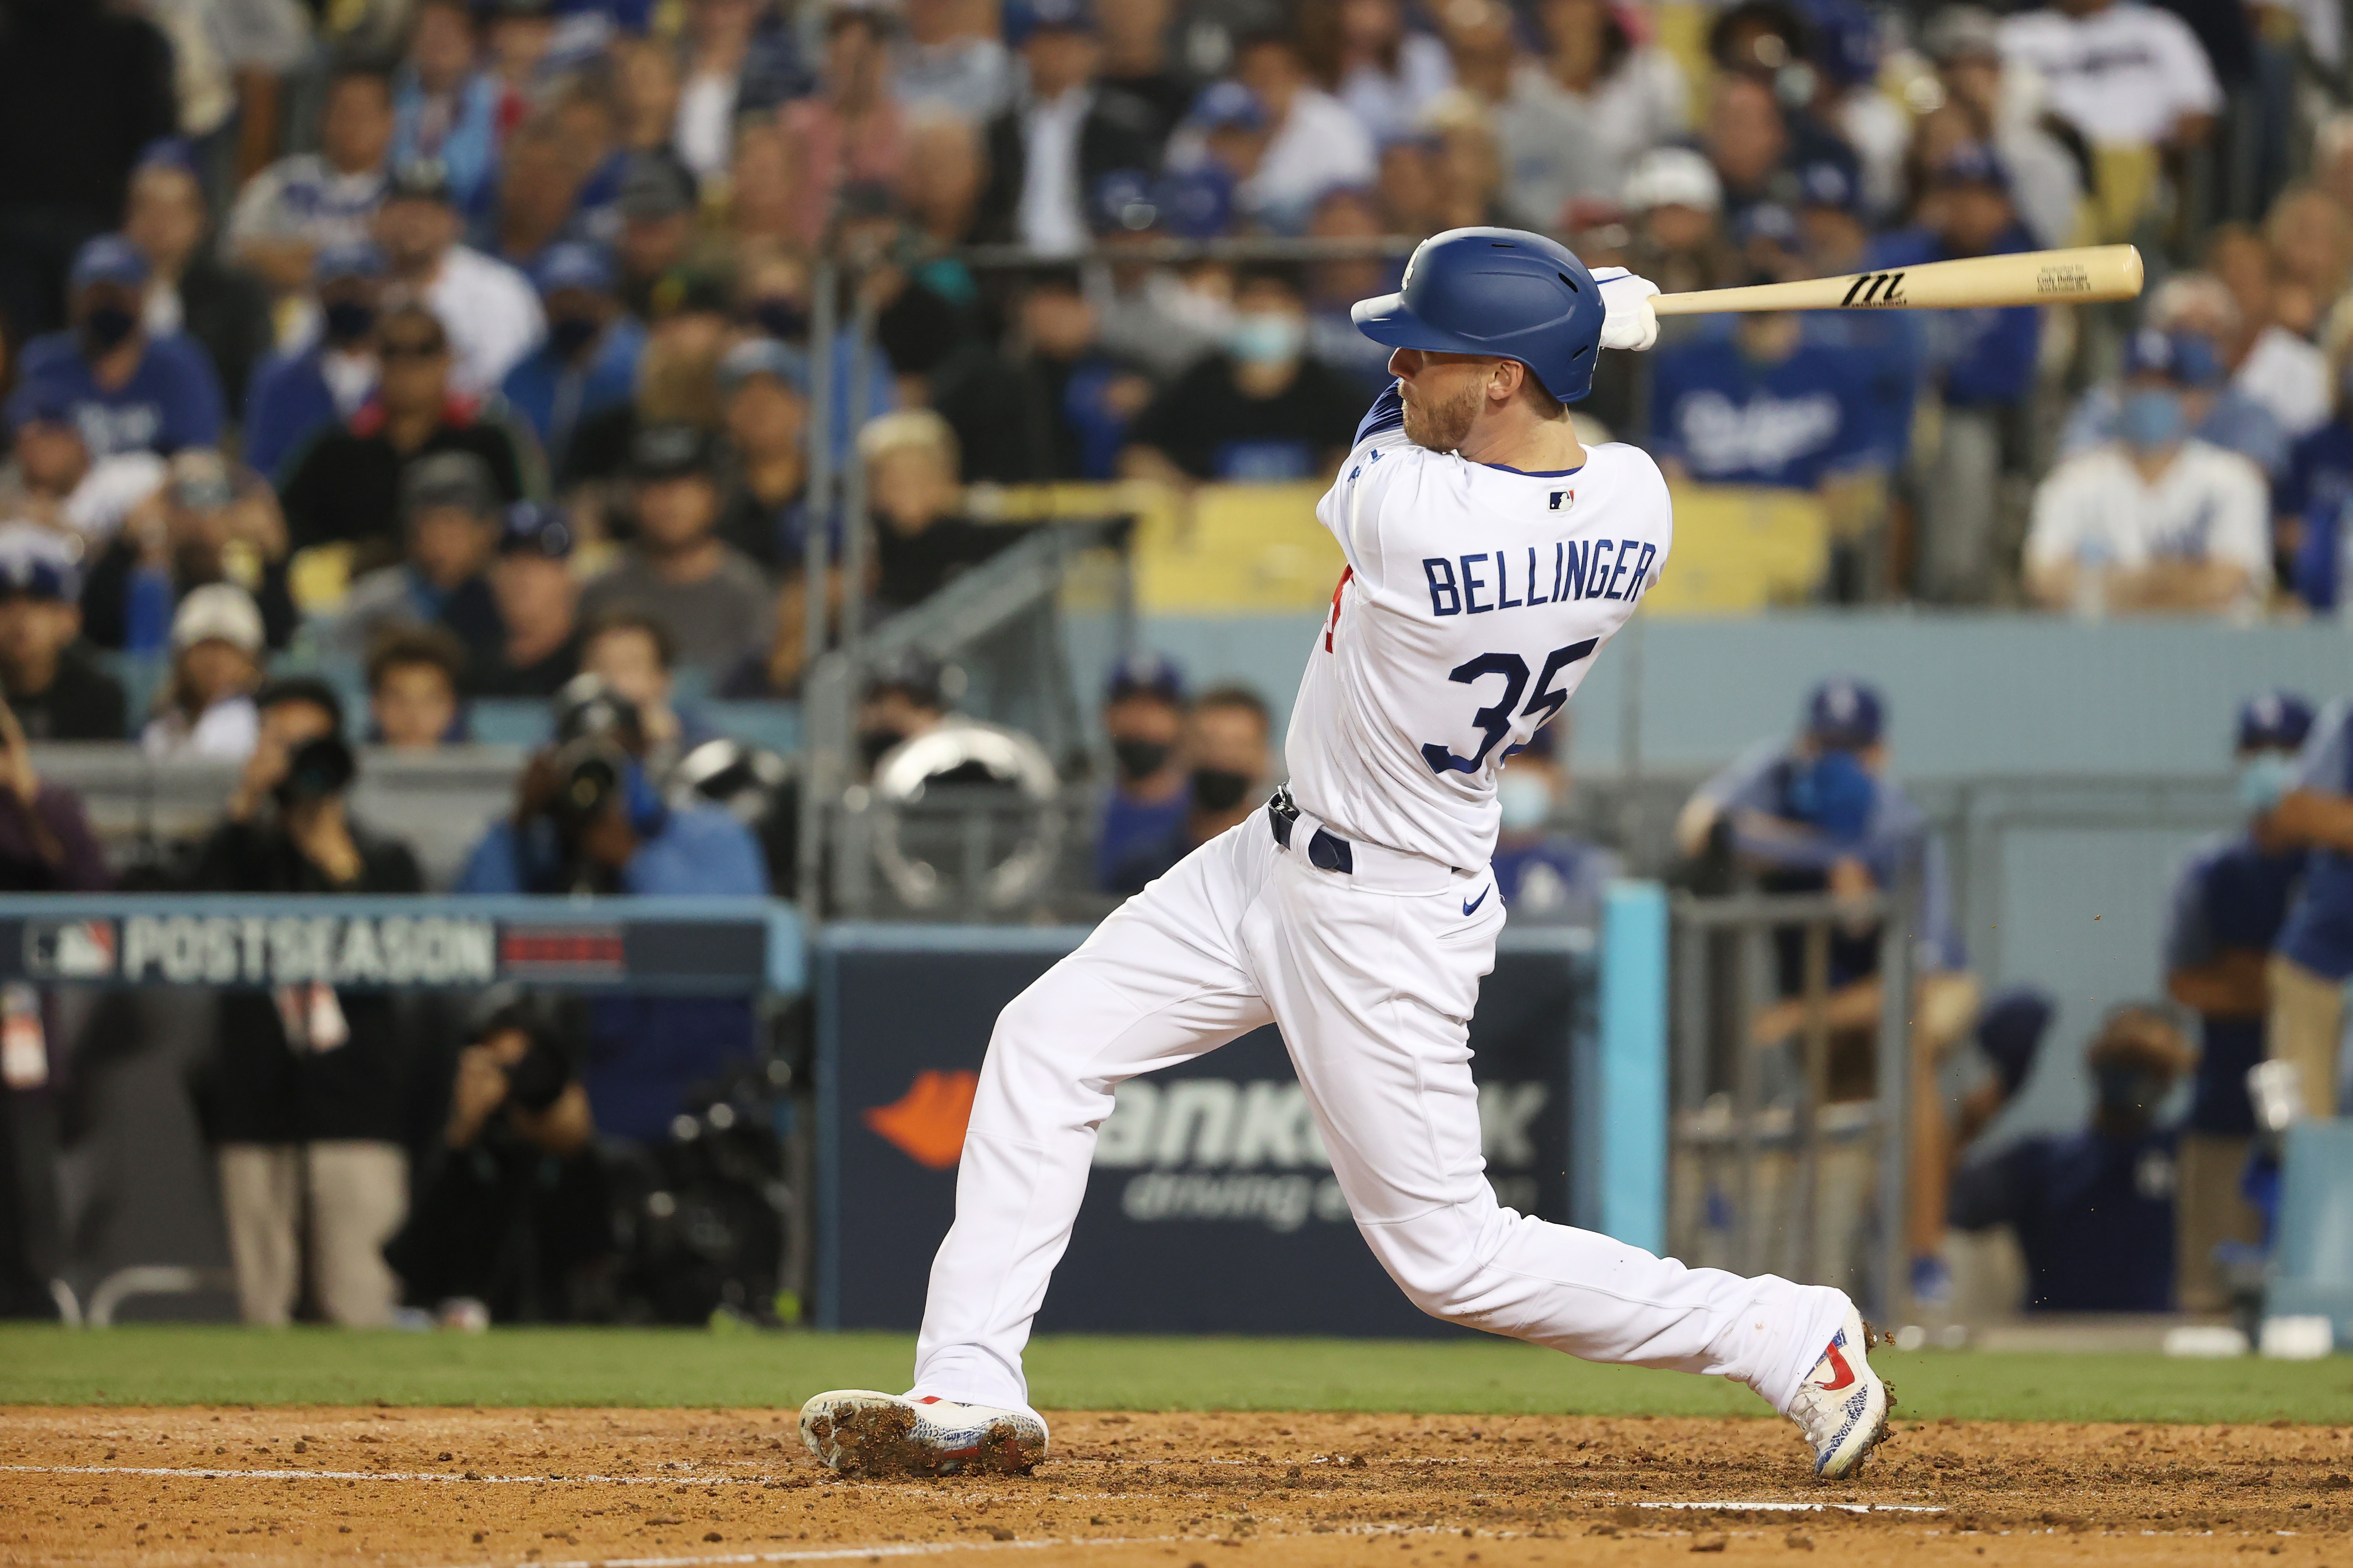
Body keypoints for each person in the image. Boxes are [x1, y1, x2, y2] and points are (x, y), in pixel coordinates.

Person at [797, 228, 1895, 1484]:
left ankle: (1780, 1330)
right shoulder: (1637, 500)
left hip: (1382, 911)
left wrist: (1573, 319)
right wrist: (1570, 336)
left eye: (1434, 348)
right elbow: (1523, 429)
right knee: (1044, 1044)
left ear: (1498, 378)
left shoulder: (1407, 514)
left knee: (1452, 1260)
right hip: (1269, 861)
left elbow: (1394, 422)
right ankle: (971, 1385)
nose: (1403, 360)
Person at [193, 677, 425, 1328]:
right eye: (281, 743)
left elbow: (409, 954)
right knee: (262, 1306)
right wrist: (244, 802)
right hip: (255, 1096)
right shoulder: (245, 853)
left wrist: (339, 863)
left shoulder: (383, 857)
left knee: (361, 1299)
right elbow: (182, 916)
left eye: (309, 745)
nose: (297, 761)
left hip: (356, 1103)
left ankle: (374, 1436)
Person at [454, 678, 766, 1141]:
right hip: (557, 1093)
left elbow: (734, 942)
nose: (596, 775)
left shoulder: (707, 833)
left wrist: (634, 858)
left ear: (645, 755)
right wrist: (519, 825)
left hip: (687, 1086)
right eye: (579, 754)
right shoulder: (533, 845)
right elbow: (463, 945)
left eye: (615, 753)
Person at [2164, 692, 2312, 1313]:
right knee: (2209, 1301)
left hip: (2322, 1121)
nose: (2269, 764)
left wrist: (2258, 975)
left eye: (2285, 751)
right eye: (2256, 750)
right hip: (2225, 1103)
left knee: (2313, 1304)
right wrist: (2278, 985)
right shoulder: (2213, 869)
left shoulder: (2329, 866)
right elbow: (2185, 983)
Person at [1866, 145, 2040, 605]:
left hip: (1968, 413)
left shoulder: (2020, 267)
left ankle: (1947, 600)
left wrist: (1935, 375)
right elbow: (1860, 340)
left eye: (1981, 196)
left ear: (2004, 206)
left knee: (1963, 452)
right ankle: (1874, 602)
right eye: (1957, 194)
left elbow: (2008, 373)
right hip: (1892, 406)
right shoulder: (1901, 255)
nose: (1968, 207)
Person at [1947, 1006, 2196, 1312]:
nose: (2134, 1077)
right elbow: (1947, 1202)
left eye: (2151, 1067)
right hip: (2057, 1337)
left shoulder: (2186, 1158)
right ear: (2094, 1058)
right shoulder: (2043, 1162)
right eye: (2123, 1060)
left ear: (2171, 1077)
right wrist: (1976, 1117)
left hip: (2152, 1337)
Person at [382, 998, 608, 1324]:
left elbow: (593, 1248)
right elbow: (413, 1257)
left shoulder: (564, 1156)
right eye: (497, 1066)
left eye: (525, 1066)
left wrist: (566, 1139)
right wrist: (461, 1135)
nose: (513, 1082)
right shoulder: (475, 1153)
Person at [2024, 329, 2271, 617]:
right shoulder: (2074, 481)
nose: (2151, 397)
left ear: (2192, 400)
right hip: (2101, 653)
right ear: (2117, 396)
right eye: (2140, 387)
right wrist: (2181, 579)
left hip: (2211, 652)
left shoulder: (2232, 479)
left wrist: (2110, 584)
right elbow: (2043, 580)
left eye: (2165, 388)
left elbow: (2229, 582)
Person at [275, 303, 539, 568]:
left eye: (423, 350)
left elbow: (524, 524)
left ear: (447, 359)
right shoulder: (337, 449)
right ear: (376, 359)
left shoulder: (487, 440)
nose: (405, 364)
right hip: (356, 599)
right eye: (392, 351)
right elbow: (287, 528)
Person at [1119, 264, 1367, 483]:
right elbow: (1137, 457)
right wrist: (1189, 495)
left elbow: (1365, 457)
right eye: (1254, 308)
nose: (1263, 318)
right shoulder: (1199, 384)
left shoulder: (1328, 389)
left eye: (1274, 308)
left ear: (1300, 313)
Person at [973, 0, 1166, 254]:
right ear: (1024, 51)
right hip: (1016, 260)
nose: (1057, 53)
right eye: (1046, 41)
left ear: (1092, 51)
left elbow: (1146, 201)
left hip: (1099, 257)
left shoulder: (1125, 124)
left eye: (1068, 42)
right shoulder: (998, 129)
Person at [578, 424, 773, 675]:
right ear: (632, 498)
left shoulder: (748, 593)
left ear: (714, 496)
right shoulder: (602, 591)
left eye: (685, 486)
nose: (670, 501)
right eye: (655, 487)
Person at [14, 236, 226, 460]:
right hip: (67, 491)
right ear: (74, 297)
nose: (106, 303)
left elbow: (197, 454)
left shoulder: (180, 363)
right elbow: (31, 450)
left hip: (157, 488)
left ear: (143, 296)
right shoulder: (45, 362)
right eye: (96, 294)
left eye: (116, 295)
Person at [80, 448, 300, 656]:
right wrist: (127, 543)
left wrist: (273, 562)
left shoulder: (245, 578)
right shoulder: (150, 574)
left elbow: (279, 640)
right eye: (188, 503)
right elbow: (98, 629)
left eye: (213, 504)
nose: (201, 520)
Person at [372, 159, 545, 399]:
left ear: (455, 222)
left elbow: (507, 383)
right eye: (403, 208)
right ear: (379, 221)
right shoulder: (358, 287)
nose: (414, 221)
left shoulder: (498, 289)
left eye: (427, 211)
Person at [121, 149, 274, 418]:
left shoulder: (237, 293)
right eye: (148, 209)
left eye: (173, 212)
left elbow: (253, 384)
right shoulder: (105, 290)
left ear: (201, 219)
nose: (160, 225)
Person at [223, 63, 397, 297]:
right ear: (323, 118)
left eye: (365, 113)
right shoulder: (282, 179)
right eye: (344, 111)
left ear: (390, 122)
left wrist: (307, 256)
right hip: (290, 312)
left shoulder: (403, 190)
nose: (354, 124)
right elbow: (236, 249)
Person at [325, 451, 508, 667]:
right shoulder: (372, 604)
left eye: (451, 524)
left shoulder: (510, 601)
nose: (438, 542)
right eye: (427, 525)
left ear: (487, 530)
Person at [1102, 684, 1272, 895]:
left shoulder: (1282, 867)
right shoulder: (1142, 868)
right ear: (1183, 751)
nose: (1221, 759)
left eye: (1238, 746)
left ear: (1263, 759)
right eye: (1208, 743)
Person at [241, 243, 387, 483]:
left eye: (360, 286)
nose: (350, 296)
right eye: (339, 286)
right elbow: (261, 467)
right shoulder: (279, 377)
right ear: (318, 291)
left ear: (382, 288)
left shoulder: (406, 367)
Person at [499, 244, 645, 476]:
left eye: (580, 299)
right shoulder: (522, 375)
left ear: (605, 302)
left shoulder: (640, 365)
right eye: (560, 300)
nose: (570, 309)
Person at [0, 529, 128, 743]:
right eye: (4, 601)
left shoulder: (98, 699)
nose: (19, 615)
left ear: (70, 618)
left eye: (37, 601)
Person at [1489, 723, 1618, 924]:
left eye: (1532, 760)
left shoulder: (1587, 869)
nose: (1520, 771)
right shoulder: (1456, 863)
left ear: (1556, 776)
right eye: (1506, 759)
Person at [1093, 652, 1190, 891]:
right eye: (1130, 707)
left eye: (1155, 709)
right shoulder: (1080, 813)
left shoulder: (1203, 812)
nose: (1142, 721)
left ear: (1181, 719)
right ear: (1108, 716)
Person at [142, 584, 267, 761]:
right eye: (204, 648)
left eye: (228, 649)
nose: (214, 661)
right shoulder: (162, 726)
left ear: (251, 660)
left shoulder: (268, 727)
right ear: (181, 660)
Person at [477, 501, 585, 697]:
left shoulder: (591, 662)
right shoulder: (475, 669)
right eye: (511, 560)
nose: (522, 575)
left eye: (538, 560)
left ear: (568, 576)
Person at [366, 624, 469, 749]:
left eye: (428, 702)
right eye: (398, 701)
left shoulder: (483, 765)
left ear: (452, 706)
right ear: (375, 704)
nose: (413, 718)